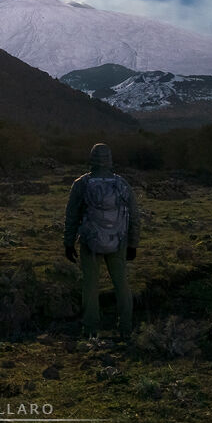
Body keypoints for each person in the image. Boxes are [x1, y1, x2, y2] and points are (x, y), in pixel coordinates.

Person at [63, 142, 139, 340]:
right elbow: (134, 216)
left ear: (92, 160)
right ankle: (125, 327)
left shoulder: (81, 183)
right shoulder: (122, 184)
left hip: (90, 243)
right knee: (121, 283)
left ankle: (90, 330)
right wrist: (133, 244)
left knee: (90, 285)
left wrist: (68, 242)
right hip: (118, 241)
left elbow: (71, 216)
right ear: (110, 160)